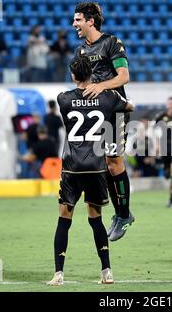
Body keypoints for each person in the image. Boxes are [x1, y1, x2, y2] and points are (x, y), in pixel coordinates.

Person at [47, 55, 134, 286]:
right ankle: (107, 272)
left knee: (63, 220)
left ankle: (58, 275)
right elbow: (129, 106)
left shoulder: (63, 99)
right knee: (96, 220)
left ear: (73, 75)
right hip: (97, 168)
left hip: (72, 168)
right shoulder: (107, 98)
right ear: (92, 74)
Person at [72, 2, 134, 242]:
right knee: (103, 164)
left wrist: (100, 86)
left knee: (114, 161)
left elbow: (124, 77)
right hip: (94, 114)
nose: (74, 24)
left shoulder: (111, 43)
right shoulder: (80, 51)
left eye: (77, 20)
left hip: (115, 111)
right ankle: (120, 213)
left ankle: (124, 214)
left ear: (90, 21)